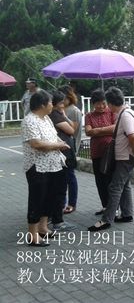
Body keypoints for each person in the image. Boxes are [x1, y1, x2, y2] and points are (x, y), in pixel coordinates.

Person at [21, 90, 70, 246]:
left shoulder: (46, 119)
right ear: (42, 104)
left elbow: (53, 136)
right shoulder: (30, 120)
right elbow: (36, 143)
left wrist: (60, 143)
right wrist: (58, 145)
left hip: (54, 165)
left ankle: (43, 228)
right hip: (37, 167)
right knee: (37, 199)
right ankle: (33, 235)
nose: (52, 105)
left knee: (50, 197)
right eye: (50, 102)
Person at [89, 87, 134, 231]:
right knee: (125, 185)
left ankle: (106, 220)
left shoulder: (125, 115)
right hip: (126, 156)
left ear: (110, 104)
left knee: (115, 187)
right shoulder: (125, 112)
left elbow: (132, 136)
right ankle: (127, 214)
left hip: (126, 157)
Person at [49, 90, 78, 229]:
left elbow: (72, 128)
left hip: (65, 153)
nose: (63, 104)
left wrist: (64, 114)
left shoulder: (58, 114)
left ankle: (60, 211)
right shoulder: (54, 115)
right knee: (62, 184)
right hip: (62, 155)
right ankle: (58, 216)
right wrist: (64, 115)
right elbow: (72, 130)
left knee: (65, 181)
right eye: (61, 102)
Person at [84, 89, 116, 215]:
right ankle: (105, 206)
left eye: (104, 103)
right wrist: (106, 130)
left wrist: (97, 130)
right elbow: (87, 131)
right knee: (100, 180)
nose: (101, 106)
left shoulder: (111, 112)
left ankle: (114, 207)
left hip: (111, 152)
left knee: (111, 179)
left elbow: (115, 128)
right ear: (93, 103)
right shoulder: (89, 116)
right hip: (96, 152)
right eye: (98, 103)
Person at [59, 84, 83, 214]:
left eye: (64, 98)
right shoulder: (61, 109)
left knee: (70, 176)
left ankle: (72, 203)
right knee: (62, 177)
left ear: (69, 97)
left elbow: (73, 130)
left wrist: (63, 115)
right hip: (61, 149)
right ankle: (62, 203)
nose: (61, 101)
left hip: (71, 149)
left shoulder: (74, 111)